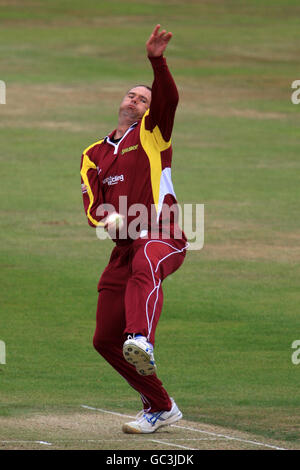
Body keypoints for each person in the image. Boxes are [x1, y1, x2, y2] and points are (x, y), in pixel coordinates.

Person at [80, 24, 188, 434]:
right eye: (132, 94)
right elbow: (91, 202)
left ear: (150, 109)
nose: (137, 100)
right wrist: (106, 218)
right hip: (123, 247)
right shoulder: (93, 153)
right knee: (105, 339)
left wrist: (156, 61)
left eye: (144, 98)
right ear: (121, 101)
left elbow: (170, 98)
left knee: (147, 255)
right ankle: (160, 406)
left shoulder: (154, 133)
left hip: (165, 233)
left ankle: (142, 337)